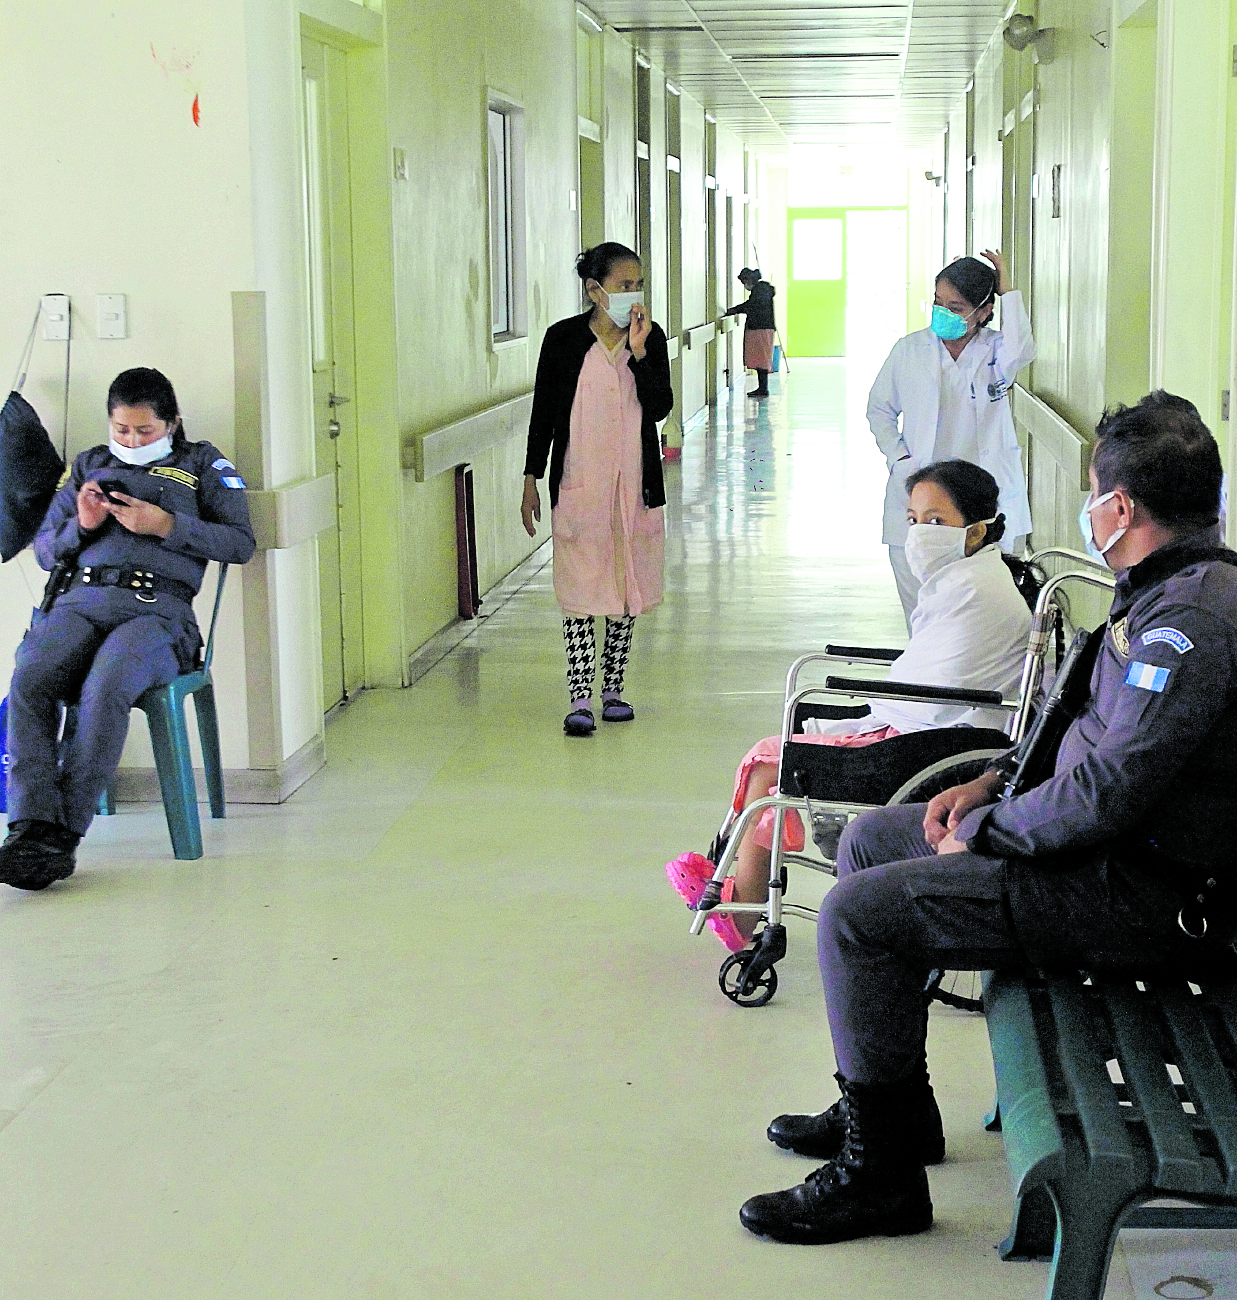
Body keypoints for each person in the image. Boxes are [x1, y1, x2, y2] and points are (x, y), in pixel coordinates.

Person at [737, 391, 1237, 1247]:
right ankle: (895, 1113)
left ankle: (880, 1178)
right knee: (869, 838)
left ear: (1118, 506)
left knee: (859, 920)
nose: (1087, 509)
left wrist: (991, 831)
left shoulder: (1188, 620)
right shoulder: (1159, 585)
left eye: (1091, 491)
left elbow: (1109, 790)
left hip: (1145, 893)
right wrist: (991, 781)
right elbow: (1080, 728)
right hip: (1102, 854)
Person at [665, 460, 1038, 950]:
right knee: (781, 750)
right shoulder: (968, 579)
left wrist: (860, 706)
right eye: (913, 520)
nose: (919, 534)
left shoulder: (978, 591)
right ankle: (736, 890)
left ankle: (743, 908)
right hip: (934, 726)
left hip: (933, 746)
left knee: (769, 765)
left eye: (935, 521)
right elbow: (926, 674)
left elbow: (929, 690)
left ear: (977, 531)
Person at [0, 367, 256, 890]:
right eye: (122, 430)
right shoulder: (89, 465)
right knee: (30, 677)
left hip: (155, 612)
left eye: (144, 431)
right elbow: (46, 552)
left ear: (172, 422)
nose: (131, 441)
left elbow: (240, 544)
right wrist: (84, 525)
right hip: (81, 602)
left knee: (107, 683)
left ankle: (62, 836)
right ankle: (28, 828)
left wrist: (165, 525)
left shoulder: (203, 463)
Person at [522, 243, 674, 736]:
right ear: (595, 289)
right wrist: (530, 478)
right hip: (579, 485)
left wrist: (640, 353)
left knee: (626, 586)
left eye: (637, 284)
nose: (634, 294)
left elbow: (658, 408)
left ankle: (613, 689)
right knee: (582, 591)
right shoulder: (563, 340)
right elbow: (543, 414)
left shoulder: (651, 339)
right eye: (624, 285)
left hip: (633, 487)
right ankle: (580, 698)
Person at [868, 251, 1036, 627]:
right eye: (938, 302)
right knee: (923, 612)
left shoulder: (996, 351)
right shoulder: (909, 350)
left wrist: (1006, 286)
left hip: (983, 492)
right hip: (920, 491)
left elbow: (1023, 347)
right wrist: (899, 459)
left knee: (988, 613)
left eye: (956, 307)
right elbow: (879, 409)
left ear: (983, 311)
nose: (942, 312)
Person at [722, 268, 777, 398]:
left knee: (761, 359)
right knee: (760, 359)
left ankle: (763, 388)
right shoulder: (762, 290)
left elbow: (752, 306)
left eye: (744, 282)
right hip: (761, 328)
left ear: (748, 279)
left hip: (760, 328)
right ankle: (762, 388)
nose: (744, 285)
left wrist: (735, 310)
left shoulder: (760, 291)